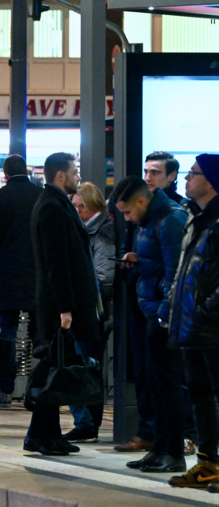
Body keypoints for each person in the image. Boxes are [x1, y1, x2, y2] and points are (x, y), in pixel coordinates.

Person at [25, 152, 102, 456]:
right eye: (73, 171)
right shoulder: (52, 208)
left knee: (58, 368)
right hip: (61, 307)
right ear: (60, 176)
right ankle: (41, 436)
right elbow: (56, 263)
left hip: (63, 304)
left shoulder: (55, 204)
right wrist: (65, 309)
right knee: (55, 369)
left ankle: (47, 434)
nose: (77, 176)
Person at [114, 176, 188, 473]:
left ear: (142, 201)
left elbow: (176, 273)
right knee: (155, 385)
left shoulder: (171, 219)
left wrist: (164, 315)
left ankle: (173, 451)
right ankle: (159, 448)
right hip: (150, 311)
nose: (127, 219)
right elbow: (158, 263)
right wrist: (138, 261)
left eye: (128, 212)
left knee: (168, 386)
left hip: (163, 317)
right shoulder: (149, 221)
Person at [168, 154, 219, 489]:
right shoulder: (195, 219)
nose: (187, 179)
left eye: (194, 173)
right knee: (200, 396)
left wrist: (208, 308)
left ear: (212, 180)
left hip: (212, 325)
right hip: (193, 326)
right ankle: (208, 464)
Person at [0, 154, 41, 406]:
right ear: (26, 171)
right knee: (38, 334)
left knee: (7, 332)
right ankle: (36, 390)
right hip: (37, 274)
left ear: (5, 174)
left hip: (6, 272)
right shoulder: (41, 195)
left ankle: (5, 390)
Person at [67, 182, 116, 442]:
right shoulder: (89, 230)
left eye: (80, 207)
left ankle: (88, 423)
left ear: (92, 207)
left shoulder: (101, 231)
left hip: (94, 313)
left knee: (85, 365)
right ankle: (87, 422)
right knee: (85, 365)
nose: (76, 211)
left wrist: (77, 293)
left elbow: (104, 277)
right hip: (91, 311)